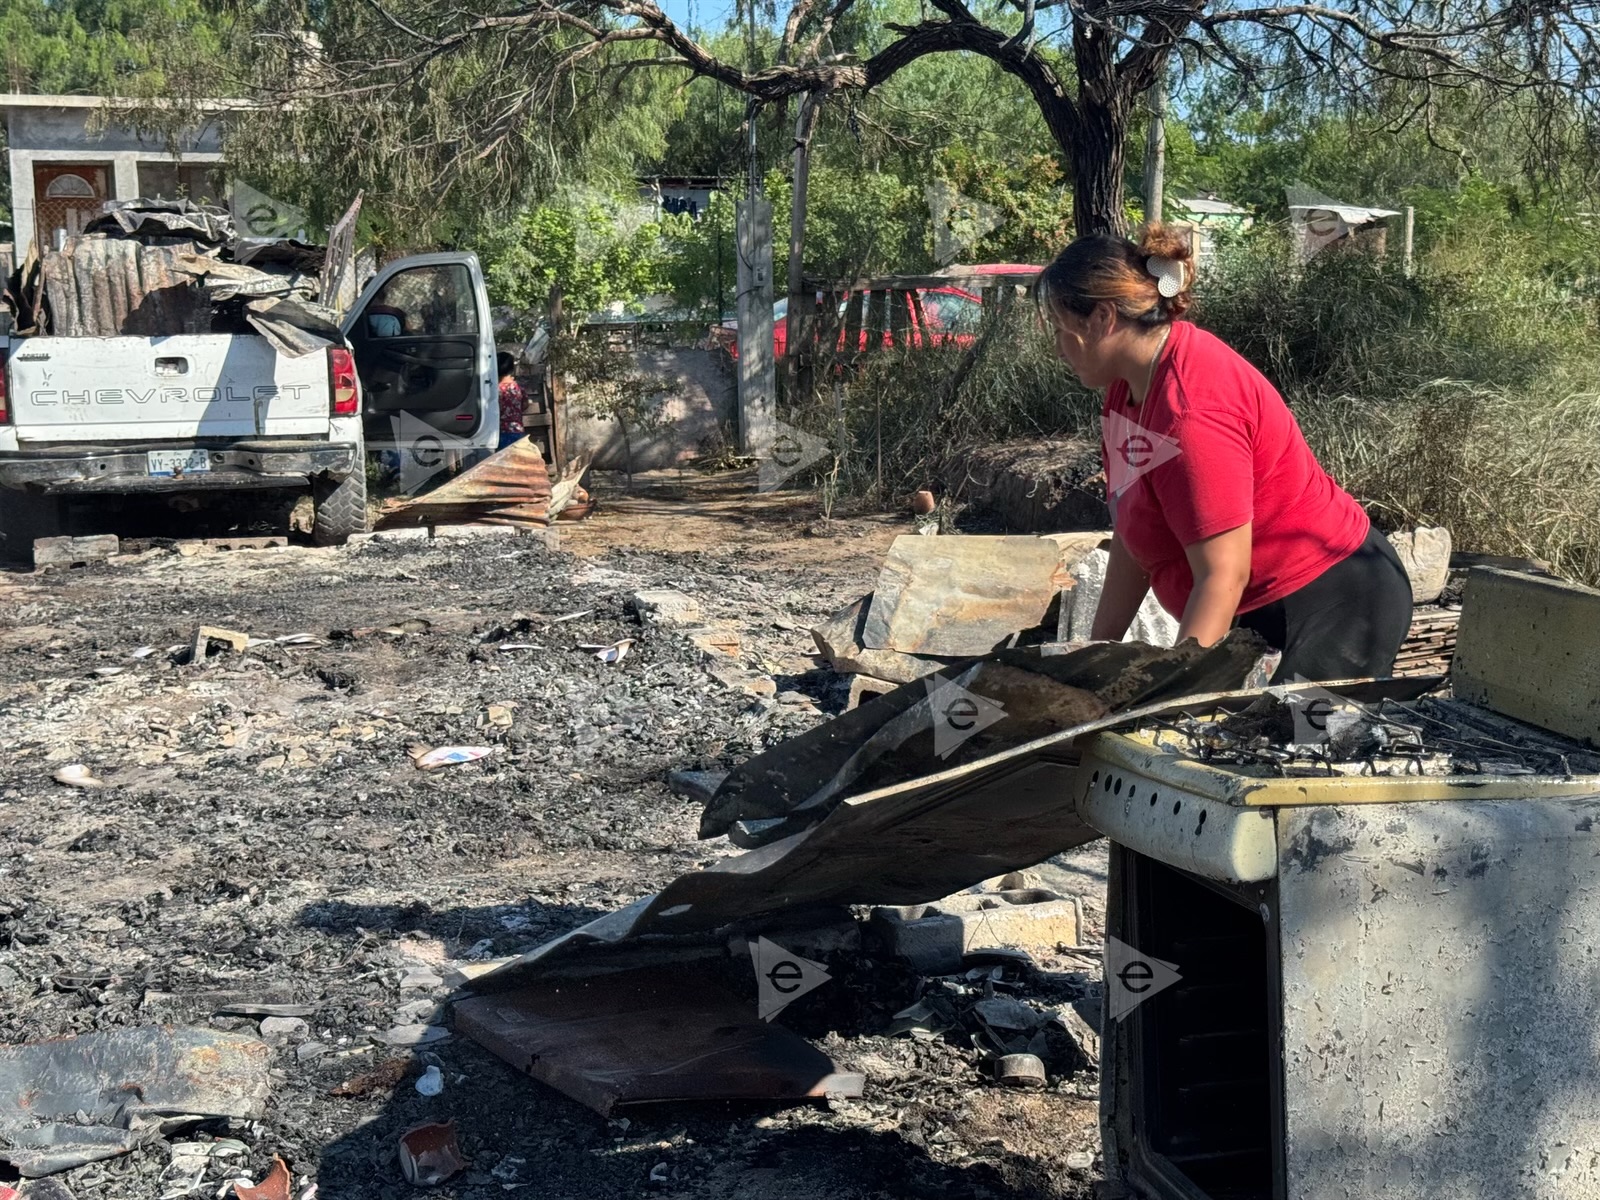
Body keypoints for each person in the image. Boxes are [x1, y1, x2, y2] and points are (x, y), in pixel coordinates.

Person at [1036, 223, 1412, 682]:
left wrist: (1172, 697)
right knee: (1233, 741)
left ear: (1102, 319)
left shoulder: (1191, 411)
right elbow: (1136, 537)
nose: (1057, 348)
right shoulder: (1128, 390)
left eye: (1060, 328)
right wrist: (1095, 660)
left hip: (1340, 602)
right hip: (1258, 605)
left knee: (1297, 748)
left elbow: (1222, 576)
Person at [497, 352, 527, 450]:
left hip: (500, 432)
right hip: (518, 431)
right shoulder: (519, 388)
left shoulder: (495, 389)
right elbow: (525, 405)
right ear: (511, 369)